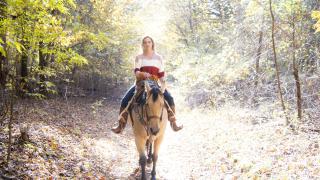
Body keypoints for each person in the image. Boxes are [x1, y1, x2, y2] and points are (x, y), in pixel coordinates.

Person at [111, 36, 183, 134]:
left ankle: (174, 122)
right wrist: (143, 74)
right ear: (142, 44)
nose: (147, 44)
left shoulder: (158, 58)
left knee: (169, 98)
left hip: (155, 83)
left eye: (149, 42)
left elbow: (161, 74)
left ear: (152, 43)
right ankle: (121, 124)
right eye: (145, 42)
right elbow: (136, 72)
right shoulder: (139, 57)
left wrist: (163, 82)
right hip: (141, 83)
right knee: (125, 99)